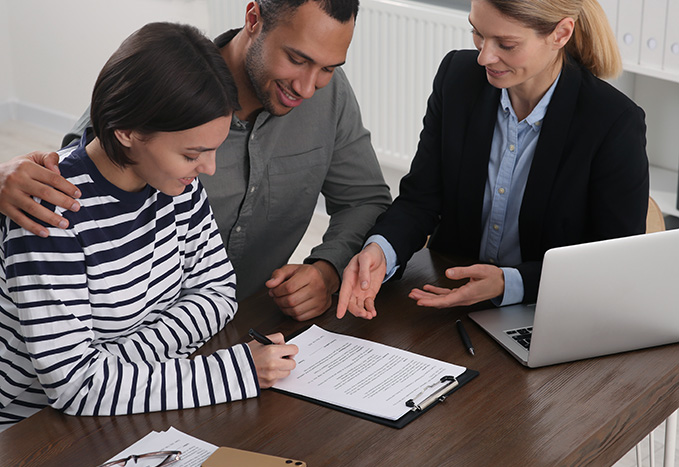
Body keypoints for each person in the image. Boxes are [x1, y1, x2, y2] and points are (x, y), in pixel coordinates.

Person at [0, 0, 392, 322]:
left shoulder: (329, 96)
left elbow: (366, 200)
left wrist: (328, 268)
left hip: (245, 324)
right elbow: (73, 195)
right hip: (137, 346)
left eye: (327, 68)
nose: (308, 88)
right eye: (296, 59)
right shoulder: (162, 92)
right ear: (253, 19)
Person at [0, 22, 298, 430]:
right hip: (32, 433)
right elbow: (76, 386)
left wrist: (115, 365)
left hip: (125, 409)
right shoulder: (52, 209)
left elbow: (218, 293)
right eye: (193, 153)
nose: (208, 168)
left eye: (213, 150)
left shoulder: (177, 185)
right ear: (127, 132)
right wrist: (233, 372)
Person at [337, 0, 649, 320]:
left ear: (561, 34)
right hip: (449, 295)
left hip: (549, 310)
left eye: (507, 44)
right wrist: (381, 251)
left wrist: (507, 283)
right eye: (478, 33)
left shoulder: (612, 122)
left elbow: (611, 264)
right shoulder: (457, 78)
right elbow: (421, 199)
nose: (484, 56)